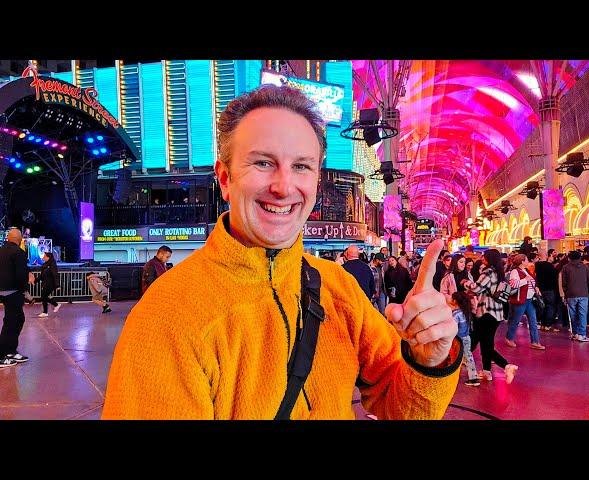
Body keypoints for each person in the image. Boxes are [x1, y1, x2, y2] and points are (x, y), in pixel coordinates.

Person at [102, 85, 462, 420]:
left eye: (301, 166)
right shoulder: (166, 317)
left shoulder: (339, 289)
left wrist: (429, 360)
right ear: (225, 179)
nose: (283, 186)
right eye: (262, 163)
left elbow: (399, 405)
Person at [461, 249, 518, 384]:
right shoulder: (499, 273)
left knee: (482, 343)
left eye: (484, 256)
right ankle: (486, 372)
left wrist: (465, 282)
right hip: (496, 313)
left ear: (488, 258)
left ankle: (506, 366)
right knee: (487, 343)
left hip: (486, 312)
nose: (482, 258)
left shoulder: (488, 272)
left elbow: (476, 288)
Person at [0, 228, 33, 367]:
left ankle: (10, 351)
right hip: (12, 292)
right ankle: (3, 355)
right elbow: (20, 275)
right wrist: (26, 292)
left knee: (13, 320)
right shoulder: (19, 253)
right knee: (13, 322)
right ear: (19, 240)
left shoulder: (1, 251)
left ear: (8, 238)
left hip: (2, 291)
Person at [505, 254, 545, 350]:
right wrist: (525, 280)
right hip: (520, 300)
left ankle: (535, 341)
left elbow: (532, 282)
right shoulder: (515, 271)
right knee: (515, 320)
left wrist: (536, 287)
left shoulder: (525, 270)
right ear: (522, 261)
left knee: (533, 321)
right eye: (526, 260)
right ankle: (509, 337)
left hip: (529, 299)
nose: (528, 262)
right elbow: (513, 284)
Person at [561, 250, 589, 342]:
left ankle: (575, 333)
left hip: (571, 294)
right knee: (583, 314)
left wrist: (566, 292)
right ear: (580, 257)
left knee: (573, 314)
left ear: (569, 258)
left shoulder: (565, 267)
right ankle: (582, 334)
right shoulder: (585, 267)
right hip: (583, 293)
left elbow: (564, 282)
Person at [450, 291, 479, 387]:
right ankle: (473, 377)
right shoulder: (466, 311)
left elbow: (452, 327)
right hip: (466, 337)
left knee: (454, 357)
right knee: (468, 357)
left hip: (458, 339)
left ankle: (471, 378)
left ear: (455, 301)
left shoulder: (456, 314)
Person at [535, 250, 559, 332]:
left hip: (540, 289)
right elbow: (554, 277)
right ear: (546, 255)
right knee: (550, 306)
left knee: (542, 306)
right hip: (549, 288)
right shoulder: (549, 266)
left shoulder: (536, 265)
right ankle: (548, 325)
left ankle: (542, 324)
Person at [35, 251, 61, 318]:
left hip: (50, 284)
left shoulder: (52, 265)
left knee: (44, 297)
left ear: (48, 257)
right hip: (45, 283)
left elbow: (55, 275)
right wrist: (35, 281)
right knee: (44, 297)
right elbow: (42, 275)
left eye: (44, 256)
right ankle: (52, 307)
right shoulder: (45, 265)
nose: (43, 257)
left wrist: (57, 285)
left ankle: (47, 310)